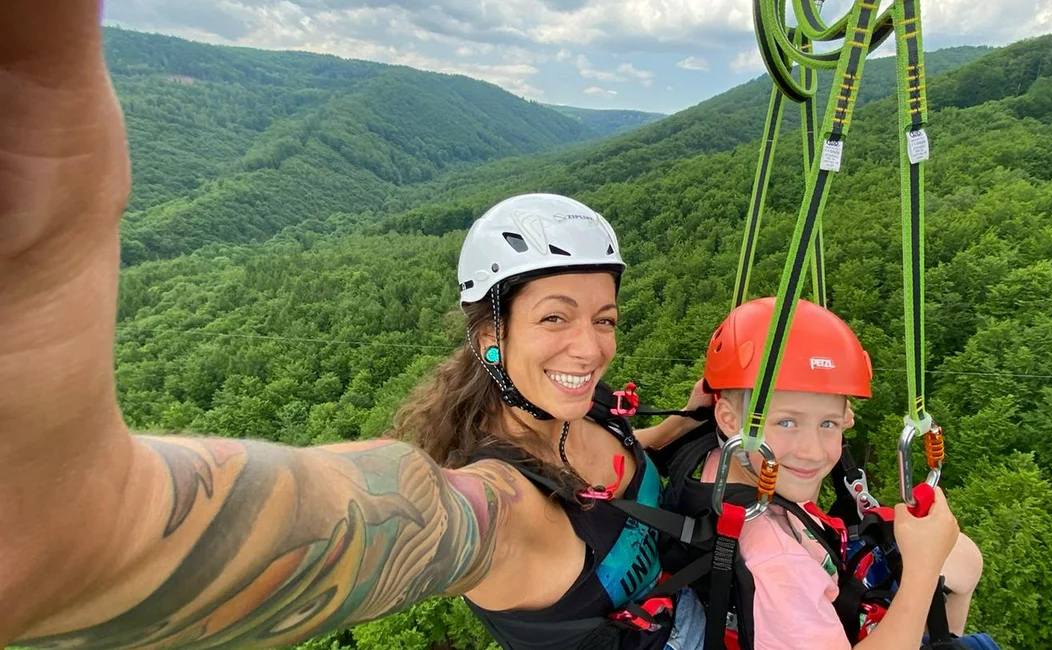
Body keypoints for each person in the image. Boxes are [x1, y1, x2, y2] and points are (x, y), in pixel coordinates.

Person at [0, 3, 710, 648]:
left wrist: (687, 417)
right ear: (490, 338)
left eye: (604, 319)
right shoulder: (506, 509)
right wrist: (100, 529)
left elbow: (620, 461)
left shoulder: (582, 413)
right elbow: (376, 523)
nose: (590, 347)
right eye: (555, 316)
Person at [695, 297, 985, 649]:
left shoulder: (726, 456)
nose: (813, 451)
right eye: (786, 422)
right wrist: (922, 572)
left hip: (819, 570)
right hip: (808, 600)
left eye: (828, 423)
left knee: (965, 560)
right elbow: (787, 573)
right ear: (728, 419)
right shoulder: (780, 567)